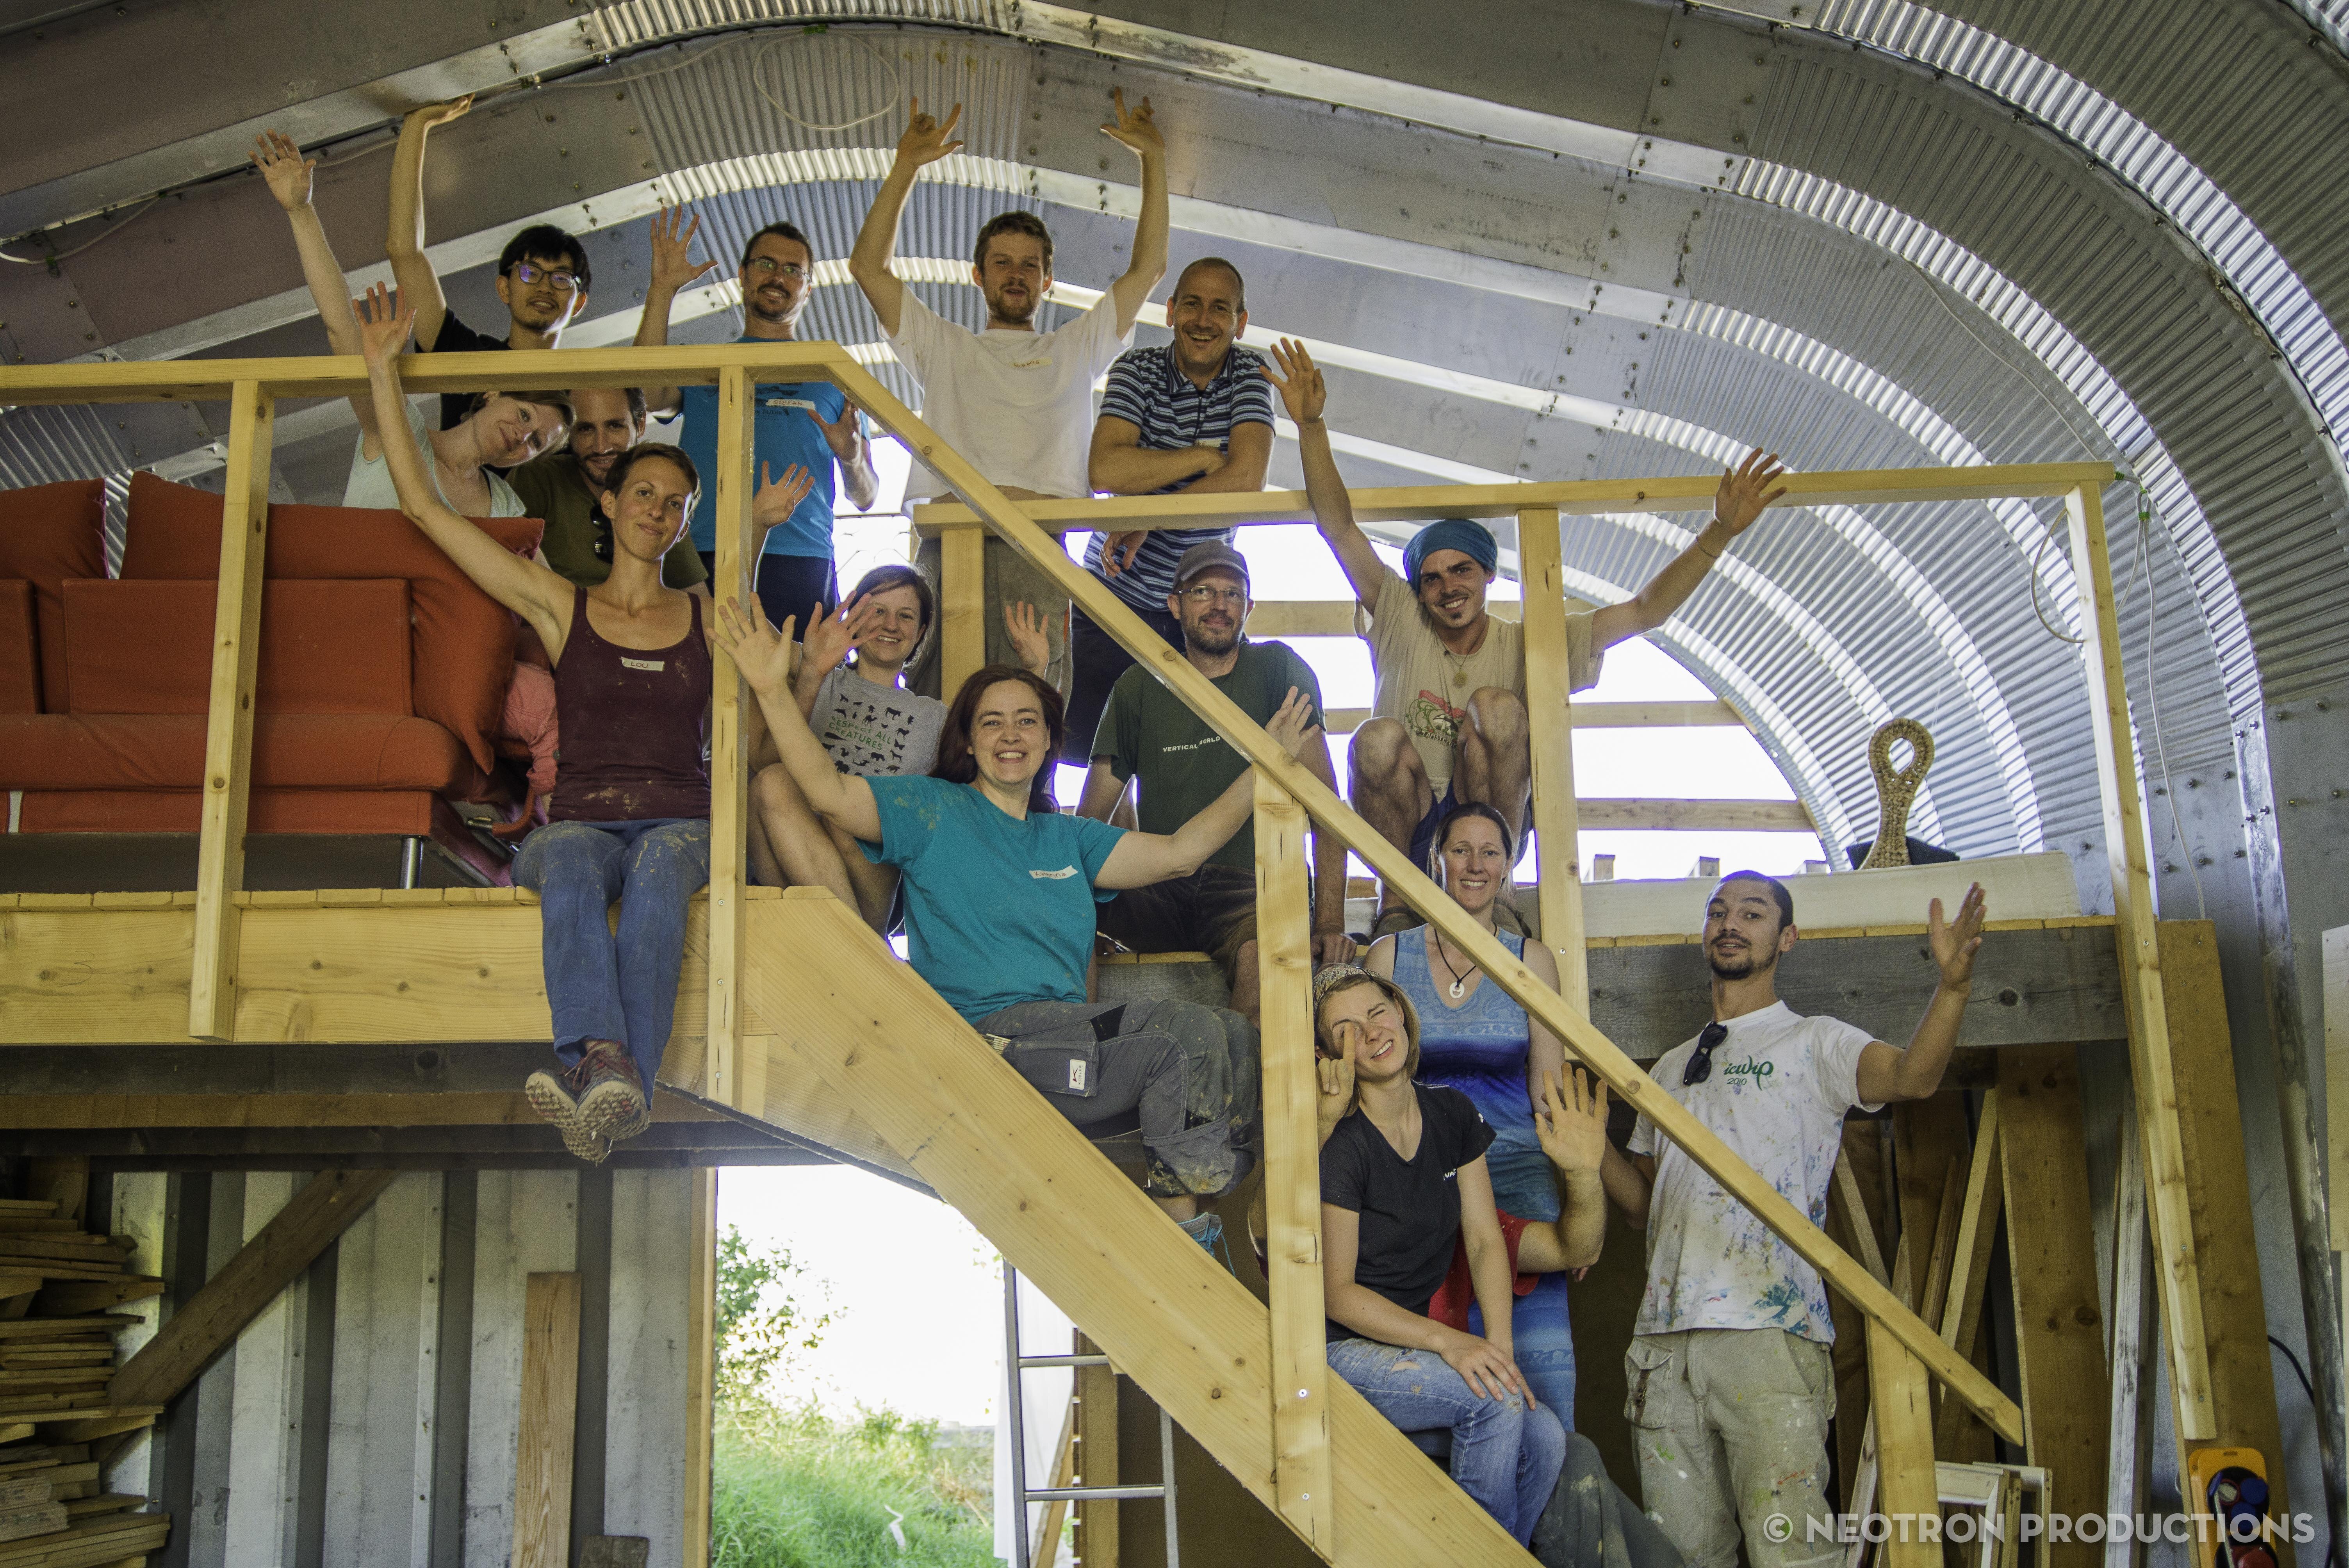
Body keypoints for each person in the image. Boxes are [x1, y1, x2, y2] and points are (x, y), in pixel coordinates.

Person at [353, 281, 814, 1164]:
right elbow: (426, 511)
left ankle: (598, 1065)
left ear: (685, 520)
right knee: (563, 857)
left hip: (681, 818)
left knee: (660, 865)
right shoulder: (562, 606)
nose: (657, 509)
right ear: (609, 502)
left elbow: (746, 626)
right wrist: (383, 374)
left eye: (675, 503)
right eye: (643, 492)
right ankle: (621, 1068)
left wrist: (749, 533)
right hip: (583, 815)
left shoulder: (702, 612)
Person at [716, 586, 1321, 1258]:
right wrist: (775, 691)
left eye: (1027, 722)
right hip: (988, 1044)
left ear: (1046, 741)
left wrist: (1268, 764)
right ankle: (1186, 1243)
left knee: (1231, 1035)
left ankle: (1194, 1234)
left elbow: (1183, 852)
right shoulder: (930, 809)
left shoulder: (1067, 839)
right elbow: (826, 792)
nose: (1011, 736)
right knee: (1183, 1038)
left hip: (1068, 1044)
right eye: (993, 723)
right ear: (969, 742)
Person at [1261, 339, 1791, 939]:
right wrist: (1311, 426)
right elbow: (1338, 526)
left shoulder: (1532, 642)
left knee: (1498, 706)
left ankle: (1501, 887)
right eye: (1431, 578)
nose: (1446, 588)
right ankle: (1398, 898)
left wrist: (1718, 534)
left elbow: (1644, 611)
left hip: (1484, 814)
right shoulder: (1399, 615)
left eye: (1462, 571)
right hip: (1409, 817)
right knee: (1375, 739)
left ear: (1488, 575)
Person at [1598, 873, 1988, 1568]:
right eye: (1719, 911)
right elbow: (1641, 1208)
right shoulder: (1667, 1067)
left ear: (1786, 938)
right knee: (1681, 1559)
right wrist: (1589, 1147)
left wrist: (1952, 989)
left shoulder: (1815, 1043)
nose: (1730, 922)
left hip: (1770, 1338)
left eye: (1753, 913)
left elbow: (1911, 1079)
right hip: (1664, 1342)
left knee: (1793, 1555)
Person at [848, 92, 1170, 697]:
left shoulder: (1077, 347)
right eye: (1001, 263)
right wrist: (906, 167)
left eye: (1029, 265)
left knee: (1035, 703)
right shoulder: (943, 345)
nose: (1015, 274)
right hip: (949, 541)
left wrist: (1154, 161)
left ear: (1048, 280)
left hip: (1038, 544)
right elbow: (868, 268)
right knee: (938, 710)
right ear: (979, 275)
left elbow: (1148, 268)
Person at [1363, 800, 1603, 1421]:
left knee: (1541, 1388)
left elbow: (1549, 1094)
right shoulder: (1390, 958)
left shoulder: (1533, 959)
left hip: (1520, 1184)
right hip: (1427, 1190)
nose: (1475, 864)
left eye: (1490, 852)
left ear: (1508, 866)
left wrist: (1582, 1207)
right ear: (1436, 860)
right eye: (1460, 849)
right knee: (1446, 1385)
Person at [1314, 963, 1567, 1545]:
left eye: (1377, 1012)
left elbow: (1483, 1241)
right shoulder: (1343, 1144)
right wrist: (1448, 1340)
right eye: (1346, 1029)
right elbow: (1338, 1292)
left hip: (1407, 1349)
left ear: (1401, 1012)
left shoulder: (1451, 1113)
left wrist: (1498, 1348)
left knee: (1547, 1438)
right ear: (1331, 1054)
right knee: (1493, 1407)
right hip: (1340, 1352)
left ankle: (1501, 1553)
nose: (1372, 1032)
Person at [1076, 541, 1351, 1020]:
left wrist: (1330, 921)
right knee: (1055, 903)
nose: (1219, 604)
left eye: (1232, 593)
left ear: (1249, 608)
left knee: (1262, 956)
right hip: (1159, 880)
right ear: (1175, 604)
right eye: (1203, 590)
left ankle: (1236, 1091)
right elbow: (1089, 818)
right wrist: (1081, 907)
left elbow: (1326, 806)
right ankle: (1076, 1052)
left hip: (1251, 882)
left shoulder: (1277, 668)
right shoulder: (1138, 686)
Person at [749, 567, 1053, 931]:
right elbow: (740, 624)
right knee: (770, 782)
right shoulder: (811, 667)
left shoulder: (935, 717)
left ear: (921, 632)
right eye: (878, 611)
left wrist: (1036, 671)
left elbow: (1012, 758)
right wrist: (813, 673)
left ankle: (859, 949)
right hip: (793, 850)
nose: (891, 625)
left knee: (846, 812)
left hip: (873, 872)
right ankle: (841, 944)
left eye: (906, 616)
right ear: (852, 620)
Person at [1063, 257, 1274, 764]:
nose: (1204, 319)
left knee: (1179, 761)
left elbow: (1246, 479)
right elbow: (1107, 469)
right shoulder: (1136, 368)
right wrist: (1205, 459)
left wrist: (1149, 515)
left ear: (1240, 322)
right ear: (1171, 311)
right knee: (1088, 751)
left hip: (1196, 608)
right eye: (1193, 305)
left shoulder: (1250, 372)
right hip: (1110, 596)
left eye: (1220, 308)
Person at [636, 208, 879, 622]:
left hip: (800, 555)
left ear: (807, 287)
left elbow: (866, 496)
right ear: (743, 274)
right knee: (700, 680)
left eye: (792, 270)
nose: (777, 277)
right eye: (766, 264)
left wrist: (851, 456)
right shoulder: (706, 364)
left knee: (796, 681)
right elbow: (645, 394)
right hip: (703, 550)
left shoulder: (833, 372)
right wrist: (662, 289)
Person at [386, 97, 594, 429]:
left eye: (561, 279)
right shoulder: (469, 355)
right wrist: (416, 127)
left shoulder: (584, 399)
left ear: (579, 301)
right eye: (530, 273)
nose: (544, 286)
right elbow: (404, 252)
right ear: (504, 288)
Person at [508, 386, 709, 591]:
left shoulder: (659, 494)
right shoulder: (538, 478)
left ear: (640, 425)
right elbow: (507, 572)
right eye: (586, 429)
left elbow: (697, 597)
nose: (601, 447)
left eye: (615, 426)